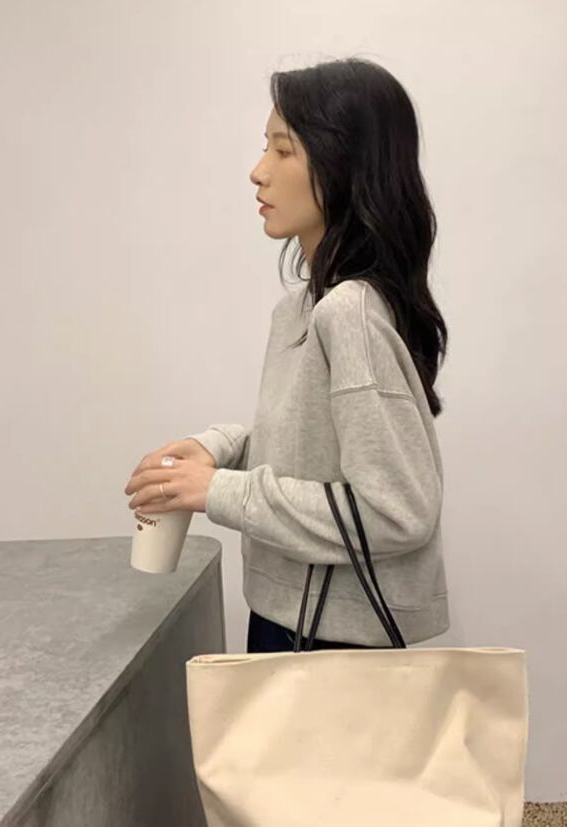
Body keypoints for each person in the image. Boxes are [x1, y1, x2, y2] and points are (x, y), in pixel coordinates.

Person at [125, 57, 450, 654]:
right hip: (291, 619)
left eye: (283, 150)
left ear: (343, 165)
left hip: (332, 645)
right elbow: (313, 452)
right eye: (265, 148)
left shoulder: (349, 313)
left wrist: (217, 491)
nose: (258, 172)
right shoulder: (303, 308)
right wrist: (218, 450)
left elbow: (398, 511)